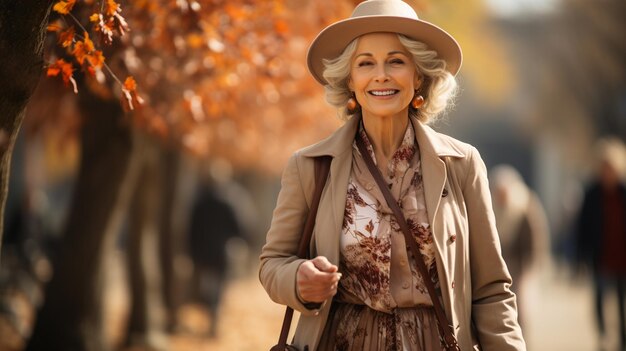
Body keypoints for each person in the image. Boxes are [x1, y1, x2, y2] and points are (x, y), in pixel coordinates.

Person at [259, 1, 525, 350]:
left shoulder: (462, 164)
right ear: (350, 79)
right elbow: (272, 263)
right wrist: (298, 280)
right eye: (365, 63)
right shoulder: (310, 166)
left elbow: (491, 289)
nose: (381, 74)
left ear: (419, 76)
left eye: (396, 61)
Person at [575, 137, 626, 351]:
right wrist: (581, 256)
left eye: (610, 167)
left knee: (622, 302)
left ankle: (623, 338)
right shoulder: (592, 193)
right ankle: (603, 336)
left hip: (622, 257)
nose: (607, 172)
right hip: (601, 256)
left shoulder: (624, 192)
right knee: (599, 299)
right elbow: (582, 226)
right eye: (603, 167)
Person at [490, 165, 550, 328]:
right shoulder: (490, 207)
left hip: (521, 264)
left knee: (520, 305)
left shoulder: (524, 204)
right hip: (500, 264)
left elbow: (536, 238)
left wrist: (532, 265)